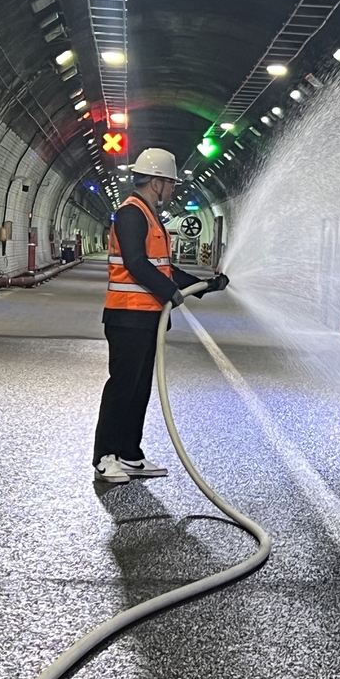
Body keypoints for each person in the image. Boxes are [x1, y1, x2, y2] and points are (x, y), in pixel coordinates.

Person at [93, 147, 228, 484]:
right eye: (170, 184)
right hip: (127, 318)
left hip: (147, 320)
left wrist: (203, 285)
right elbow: (136, 264)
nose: (172, 190)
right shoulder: (130, 214)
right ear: (156, 183)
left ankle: (129, 454)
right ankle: (104, 456)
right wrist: (172, 293)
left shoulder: (152, 218)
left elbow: (164, 269)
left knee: (139, 389)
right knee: (122, 387)